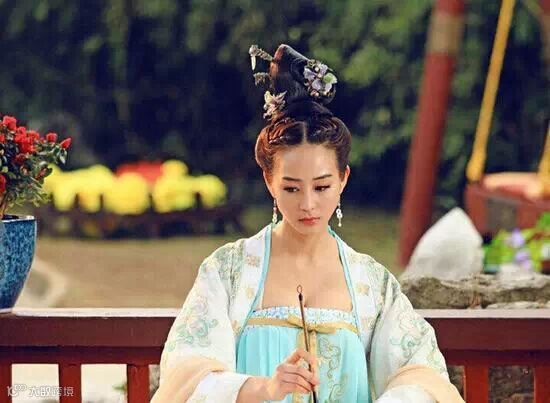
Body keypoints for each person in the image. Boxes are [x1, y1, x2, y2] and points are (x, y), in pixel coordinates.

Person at [151, 44, 464, 403]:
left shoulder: (371, 284)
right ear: (269, 182)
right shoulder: (228, 272)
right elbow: (190, 371)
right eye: (291, 188)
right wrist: (264, 388)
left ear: (343, 179)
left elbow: (419, 373)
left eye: (322, 186)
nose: (308, 204)